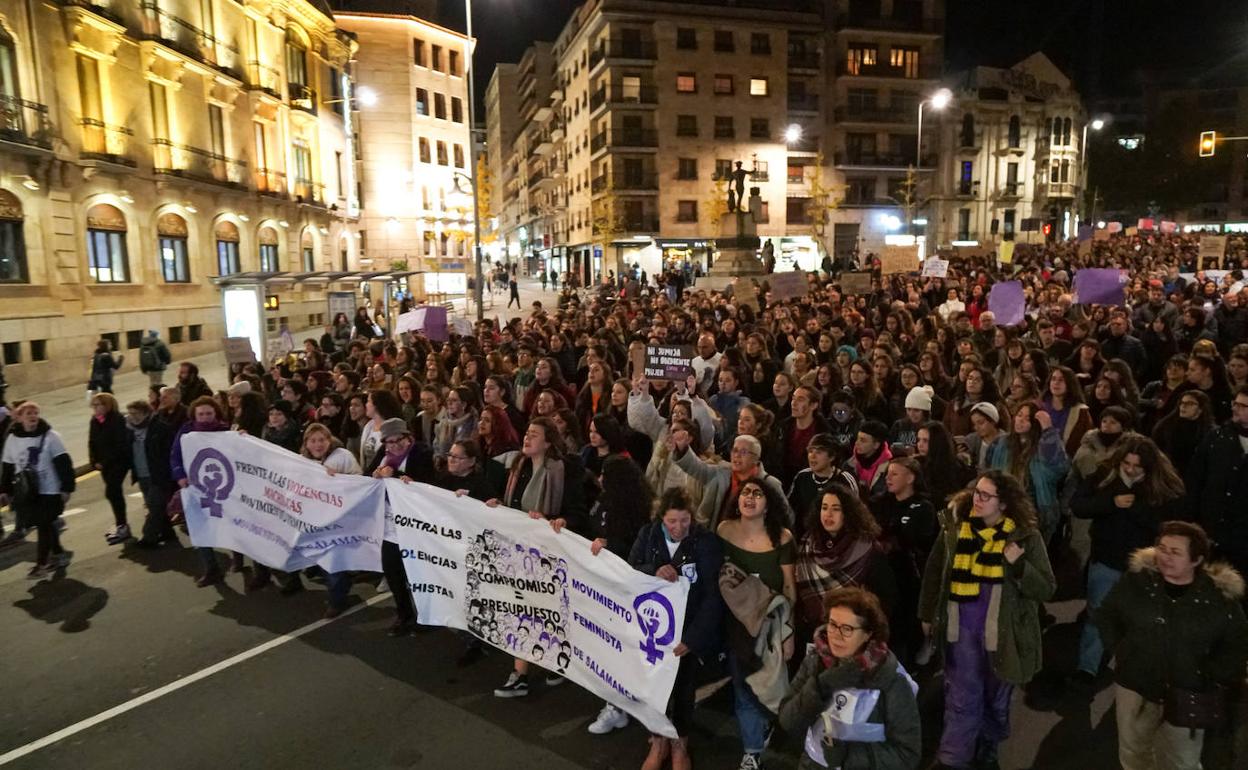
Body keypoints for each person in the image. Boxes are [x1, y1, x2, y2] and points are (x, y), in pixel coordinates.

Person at [919, 470, 1056, 770]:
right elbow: (934, 572)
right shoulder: (955, 530)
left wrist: (1019, 564)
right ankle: (953, 759)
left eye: (985, 495)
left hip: (1004, 637)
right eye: (976, 492)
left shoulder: (1024, 537)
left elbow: (1046, 588)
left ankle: (989, 746)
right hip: (961, 634)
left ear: (1003, 504)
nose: (976, 499)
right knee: (961, 699)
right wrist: (927, 614)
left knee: (996, 700)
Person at [1096, 521, 1248, 770]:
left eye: (1175, 552)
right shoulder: (1137, 582)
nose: (1165, 557)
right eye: (1162, 548)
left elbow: (1237, 644)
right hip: (1135, 686)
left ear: (1196, 560)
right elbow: (1107, 614)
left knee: (1182, 761)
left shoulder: (1218, 598)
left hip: (1188, 694)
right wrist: (1121, 650)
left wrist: (1209, 676)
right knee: (1133, 753)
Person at [1069, 436, 1184, 693]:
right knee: (1097, 614)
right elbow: (1078, 505)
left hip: (1142, 567)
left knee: (1136, 620)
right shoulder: (1105, 476)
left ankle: (1131, 668)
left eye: (1137, 466)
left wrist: (1134, 508)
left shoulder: (1161, 488)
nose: (1130, 470)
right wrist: (1110, 503)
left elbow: (1167, 525)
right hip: (1106, 559)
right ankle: (1088, 667)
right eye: (1126, 464)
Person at [489, 417, 588, 697]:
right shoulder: (518, 467)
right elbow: (512, 506)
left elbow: (577, 512)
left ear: (547, 442)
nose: (527, 438)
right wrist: (497, 505)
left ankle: (557, 662)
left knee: (548, 612)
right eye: (526, 433)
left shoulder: (563, 471)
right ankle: (520, 674)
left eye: (534, 434)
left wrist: (558, 520)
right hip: (519, 552)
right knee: (520, 610)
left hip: (549, 555)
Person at [628, 488, 724, 770]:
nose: (679, 527)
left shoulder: (705, 542)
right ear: (661, 518)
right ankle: (658, 741)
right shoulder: (648, 535)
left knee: (683, 690)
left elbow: (712, 596)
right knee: (652, 688)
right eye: (672, 521)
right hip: (652, 631)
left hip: (687, 632)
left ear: (692, 517)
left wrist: (693, 638)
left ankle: (680, 744)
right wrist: (654, 570)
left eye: (684, 520)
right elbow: (631, 570)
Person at [778, 587, 922, 770]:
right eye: (832, 624)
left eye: (847, 629)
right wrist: (819, 687)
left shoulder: (890, 678)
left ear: (868, 634)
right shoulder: (815, 662)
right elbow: (788, 721)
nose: (836, 635)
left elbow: (907, 754)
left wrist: (848, 757)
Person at [717, 478, 796, 770]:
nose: (749, 497)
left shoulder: (782, 538)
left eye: (757, 493)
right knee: (743, 687)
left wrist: (789, 632)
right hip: (732, 624)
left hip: (769, 626)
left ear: (768, 504)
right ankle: (752, 750)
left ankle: (763, 729)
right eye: (745, 492)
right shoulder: (724, 530)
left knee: (764, 684)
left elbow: (789, 588)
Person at [583, 455, 656, 736]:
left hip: (623, 588)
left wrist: (610, 544)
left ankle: (619, 706)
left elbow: (635, 549)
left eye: (605, 474)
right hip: (603, 584)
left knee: (620, 648)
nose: (600, 478)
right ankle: (617, 704)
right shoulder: (606, 501)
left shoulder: (634, 510)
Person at [794, 486, 896, 651]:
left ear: (848, 513)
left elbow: (883, 600)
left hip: (853, 635)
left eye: (836, 509)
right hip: (812, 634)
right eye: (824, 508)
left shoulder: (867, 549)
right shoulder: (807, 544)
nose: (828, 514)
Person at [365, 417, 435, 635]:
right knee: (393, 572)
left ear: (408, 438)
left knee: (417, 576)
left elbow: (427, 483)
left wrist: (394, 476)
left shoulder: (421, 453)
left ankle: (427, 617)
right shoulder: (383, 455)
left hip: (414, 526)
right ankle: (404, 615)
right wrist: (374, 475)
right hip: (389, 527)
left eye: (399, 440)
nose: (395, 446)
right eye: (390, 442)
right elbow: (366, 475)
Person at [0, 402, 75, 579]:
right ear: (19, 418)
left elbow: (64, 463)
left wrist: (66, 488)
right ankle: (59, 554)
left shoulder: (51, 436)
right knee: (45, 523)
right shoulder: (12, 439)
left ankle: (42, 564)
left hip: (50, 489)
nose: (33, 416)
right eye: (28, 413)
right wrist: (5, 490)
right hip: (28, 492)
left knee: (43, 524)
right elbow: (8, 466)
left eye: (35, 413)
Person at [300, 422, 363, 618]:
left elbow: (360, 480)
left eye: (322, 440)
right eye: (313, 441)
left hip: (340, 518)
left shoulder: (342, 456)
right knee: (324, 558)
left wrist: (339, 480)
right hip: (317, 519)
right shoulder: (302, 461)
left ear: (329, 440)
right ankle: (341, 586)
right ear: (306, 443)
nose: (317, 445)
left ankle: (337, 600)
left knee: (332, 559)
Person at [1185, 385, 1248, 579]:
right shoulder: (1216, 438)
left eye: (1243, 406)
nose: (1236, 408)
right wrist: (1193, 520)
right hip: (1212, 530)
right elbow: (1195, 479)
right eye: (1235, 403)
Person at [672, 429, 790, 530]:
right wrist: (682, 448)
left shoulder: (770, 484)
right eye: (735, 450)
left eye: (743, 452)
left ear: (756, 459)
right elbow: (696, 468)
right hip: (717, 537)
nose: (736, 455)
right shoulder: (720, 473)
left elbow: (787, 518)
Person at [171, 396, 233, 586]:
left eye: (209, 413)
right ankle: (211, 568)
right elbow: (175, 455)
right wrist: (180, 476)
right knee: (200, 527)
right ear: (194, 415)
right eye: (201, 414)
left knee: (233, 527)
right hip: (196, 489)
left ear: (216, 414)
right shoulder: (186, 432)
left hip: (224, 489)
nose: (205, 418)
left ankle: (240, 561)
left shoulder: (225, 431)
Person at [89, 393, 133, 544]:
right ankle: (121, 523)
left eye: (98, 405)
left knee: (112, 492)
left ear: (107, 405)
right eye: (93, 405)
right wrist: (94, 461)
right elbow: (92, 442)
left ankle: (122, 524)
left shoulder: (117, 419)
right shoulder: (95, 420)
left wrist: (105, 462)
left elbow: (119, 444)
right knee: (114, 493)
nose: (95, 408)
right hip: (104, 464)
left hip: (118, 463)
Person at [844, 420, 892, 500]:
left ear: (876, 445)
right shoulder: (849, 464)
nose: (857, 443)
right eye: (857, 439)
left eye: (863, 440)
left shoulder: (889, 469)